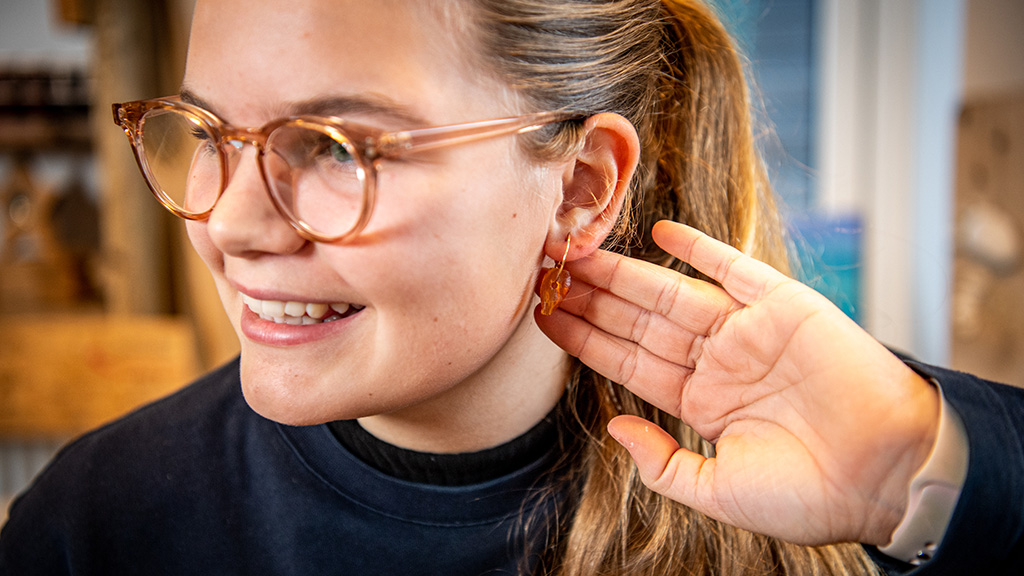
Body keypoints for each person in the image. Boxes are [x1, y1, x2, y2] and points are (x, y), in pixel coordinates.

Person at [1, 0, 1021, 574]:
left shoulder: (841, 487)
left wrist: (913, 474)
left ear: (578, 189)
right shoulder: (92, 530)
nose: (229, 223)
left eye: (332, 146)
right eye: (207, 133)